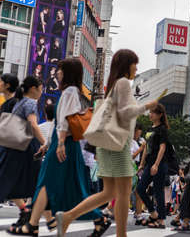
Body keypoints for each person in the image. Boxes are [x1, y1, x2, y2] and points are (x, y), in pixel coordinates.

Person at [56, 50, 158, 237]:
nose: (136, 67)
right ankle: (120, 235)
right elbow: (126, 112)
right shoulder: (123, 83)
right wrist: (147, 106)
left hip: (107, 144)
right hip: (117, 146)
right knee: (123, 192)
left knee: (109, 193)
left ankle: (68, 216)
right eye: (135, 63)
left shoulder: (114, 85)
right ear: (127, 64)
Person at [8, 59, 108, 237]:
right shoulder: (72, 92)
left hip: (64, 143)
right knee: (73, 186)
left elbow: (65, 120)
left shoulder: (70, 92)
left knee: (47, 182)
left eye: (60, 70)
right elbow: (60, 121)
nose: (57, 72)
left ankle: (32, 225)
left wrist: (59, 143)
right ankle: (99, 219)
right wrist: (49, 143)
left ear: (67, 72)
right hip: (63, 142)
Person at [0, 76, 47, 234]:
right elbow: (33, 125)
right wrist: (44, 142)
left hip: (15, 147)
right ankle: (35, 219)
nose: (41, 93)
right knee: (33, 183)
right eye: (41, 89)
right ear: (33, 88)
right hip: (23, 148)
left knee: (19, 182)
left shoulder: (19, 101)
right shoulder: (29, 102)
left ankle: (33, 219)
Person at [135, 104, 169, 229]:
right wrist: (142, 164)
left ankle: (161, 220)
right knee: (140, 189)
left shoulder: (162, 129)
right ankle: (154, 213)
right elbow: (146, 148)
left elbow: (163, 147)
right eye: (150, 112)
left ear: (160, 115)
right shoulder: (150, 129)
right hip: (149, 164)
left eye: (153, 112)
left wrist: (156, 164)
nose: (150, 114)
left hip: (159, 164)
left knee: (158, 191)